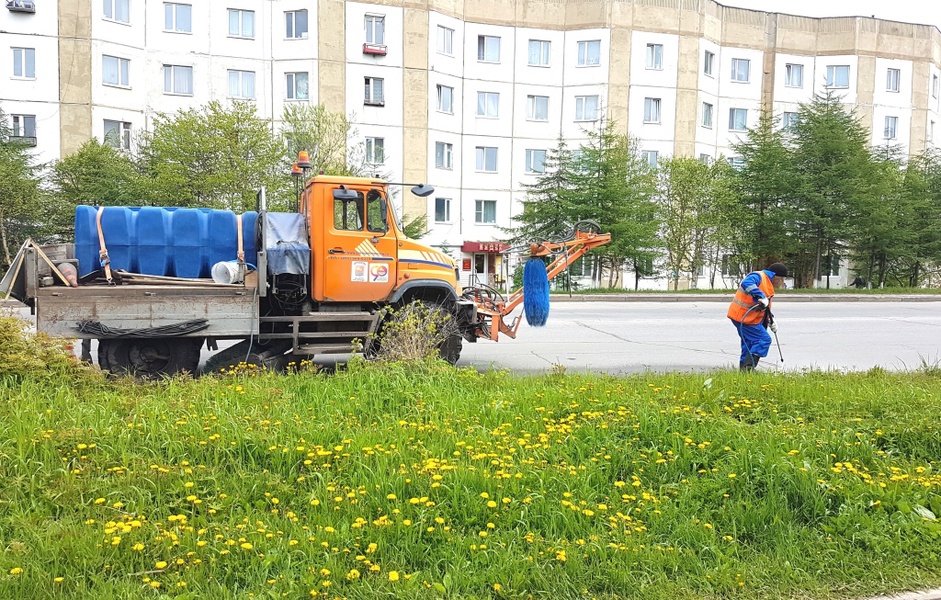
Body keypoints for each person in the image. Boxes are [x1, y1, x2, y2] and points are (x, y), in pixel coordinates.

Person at [727, 262, 787, 371]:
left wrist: (770, 320)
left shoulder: (767, 282)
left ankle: (744, 372)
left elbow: (764, 305)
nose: (782, 282)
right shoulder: (758, 276)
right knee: (763, 340)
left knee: (749, 343)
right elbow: (746, 283)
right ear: (775, 276)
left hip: (745, 317)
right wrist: (760, 295)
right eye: (782, 279)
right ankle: (748, 369)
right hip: (744, 318)